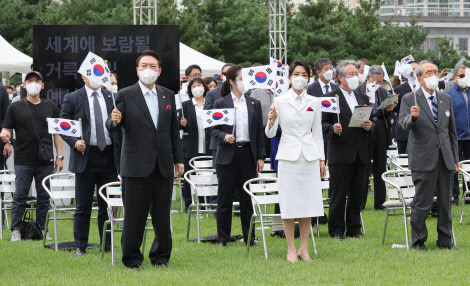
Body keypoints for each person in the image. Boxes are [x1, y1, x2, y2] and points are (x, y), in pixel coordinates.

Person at [107, 50, 184, 268]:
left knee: (162, 217)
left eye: (152, 66)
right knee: (134, 217)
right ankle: (131, 258)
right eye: (144, 66)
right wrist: (114, 120)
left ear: (159, 71)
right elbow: (113, 124)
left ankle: (160, 257)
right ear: (137, 70)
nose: (148, 70)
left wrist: (179, 160)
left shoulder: (168, 95)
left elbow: (172, 132)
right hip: (135, 166)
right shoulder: (124, 94)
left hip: (163, 165)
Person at [266, 60, 326, 262]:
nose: (300, 78)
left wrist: (321, 159)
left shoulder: (315, 102)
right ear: (290, 77)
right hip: (288, 156)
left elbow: (317, 133)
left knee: (308, 205)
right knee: (289, 204)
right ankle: (291, 248)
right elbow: (270, 133)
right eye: (297, 74)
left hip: (309, 156)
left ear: (309, 78)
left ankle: (304, 248)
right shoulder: (280, 100)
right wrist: (271, 120)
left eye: (304, 74)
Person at [398, 60, 459, 251]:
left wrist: (455, 158)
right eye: (428, 73)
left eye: (435, 72)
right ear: (419, 78)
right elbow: (403, 124)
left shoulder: (445, 98)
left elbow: (451, 132)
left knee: (445, 202)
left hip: (445, 158)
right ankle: (418, 241)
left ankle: (445, 240)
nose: (433, 75)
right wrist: (413, 117)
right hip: (423, 159)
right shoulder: (410, 98)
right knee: (422, 203)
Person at [60, 73, 121, 256]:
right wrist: (74, 142)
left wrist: (117, 122)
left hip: (109, 156)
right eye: (91, 74)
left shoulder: (111, 96)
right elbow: (63, 125)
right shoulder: (72, 98)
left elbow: (118, 125)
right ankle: (80, 246)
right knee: (83, 206)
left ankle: (108, 245)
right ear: (83, 77)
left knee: (107, 206)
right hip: (85, 155)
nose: (96, 77)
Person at [1, 71, 64, 242]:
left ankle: (43, 228)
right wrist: (5, 136)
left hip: (45, 160)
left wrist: (60, 156)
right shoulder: (14, 107)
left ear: (42, 85)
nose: (33, 84)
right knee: (20, 195)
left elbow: (57, 134)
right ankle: (16, 229)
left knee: (44, 196)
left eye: (37, 81)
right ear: (24, 85)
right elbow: (7, 129)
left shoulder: (51, 106)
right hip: (23, 159)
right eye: (30, 81)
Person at [211, 65, 265, 247]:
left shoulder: (254, 103)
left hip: (247, 154)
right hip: (227, 155)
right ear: (232, 81)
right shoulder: (221, 103)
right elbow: (213, 129)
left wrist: (260, 157)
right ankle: (222, 238)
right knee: (225, 198)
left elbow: (259, 132)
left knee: (246, 199)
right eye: (242, 78)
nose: (245, 82)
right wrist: (225, 137)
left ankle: (249, 238)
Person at [322, 60, 373, 240]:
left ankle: (354, 228)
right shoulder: (330, 96)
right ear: (341, 77)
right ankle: (336, 229)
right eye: (351, 74)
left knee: (357, 194)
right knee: (338, 194)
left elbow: (369, 123)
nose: (355, 77)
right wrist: (331, 129)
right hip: (340, 152)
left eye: (356, 73)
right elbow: (321, 123)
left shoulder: (363, 97)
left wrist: (369, 126)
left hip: (360, 152)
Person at [357, 65, 396, 210]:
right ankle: (360, 202)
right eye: (376, 81)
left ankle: (379, 202)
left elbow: (384, 113)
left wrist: (389, 109)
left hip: (379, 127)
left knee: (380, 166)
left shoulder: (382, 91)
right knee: (364, 166)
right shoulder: (358, 90)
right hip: (364, 127)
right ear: (368, 77)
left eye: (381, 81)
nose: (378, 84)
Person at [178, 78, 211, 211]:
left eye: (199, 85)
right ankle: (189, 204)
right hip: (191, 146)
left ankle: (207, 202)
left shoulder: (210, 104)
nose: (197, 88)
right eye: (194, 86)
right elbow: (176, 124)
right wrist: (181, 124)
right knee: (190, 175)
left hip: (208, 145)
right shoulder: (185, 105)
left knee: (208, 175)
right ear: (190, 89)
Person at [445, 64, 470, 206]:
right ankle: (454, 196)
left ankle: (468, 194)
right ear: (454, 77)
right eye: (461, 75)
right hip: (455, 137)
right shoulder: (448, 94)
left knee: (469, 168)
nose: (464, 78)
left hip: (469, 137)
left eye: (466, 75)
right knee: (454, 167)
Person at [394, 60, 419, 154]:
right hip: (404, 133)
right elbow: (395, 110)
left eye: (417, 69)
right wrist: (394, 103)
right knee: (404, 162)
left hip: (420, 132)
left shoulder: (424, 88)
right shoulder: (399, 89)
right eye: (412, 69)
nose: (414, 72)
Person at [250, 87, 274, 157]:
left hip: (276, 130)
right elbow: (251, 110)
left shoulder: (280, 92)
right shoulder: (256, 92)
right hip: (262, 130)